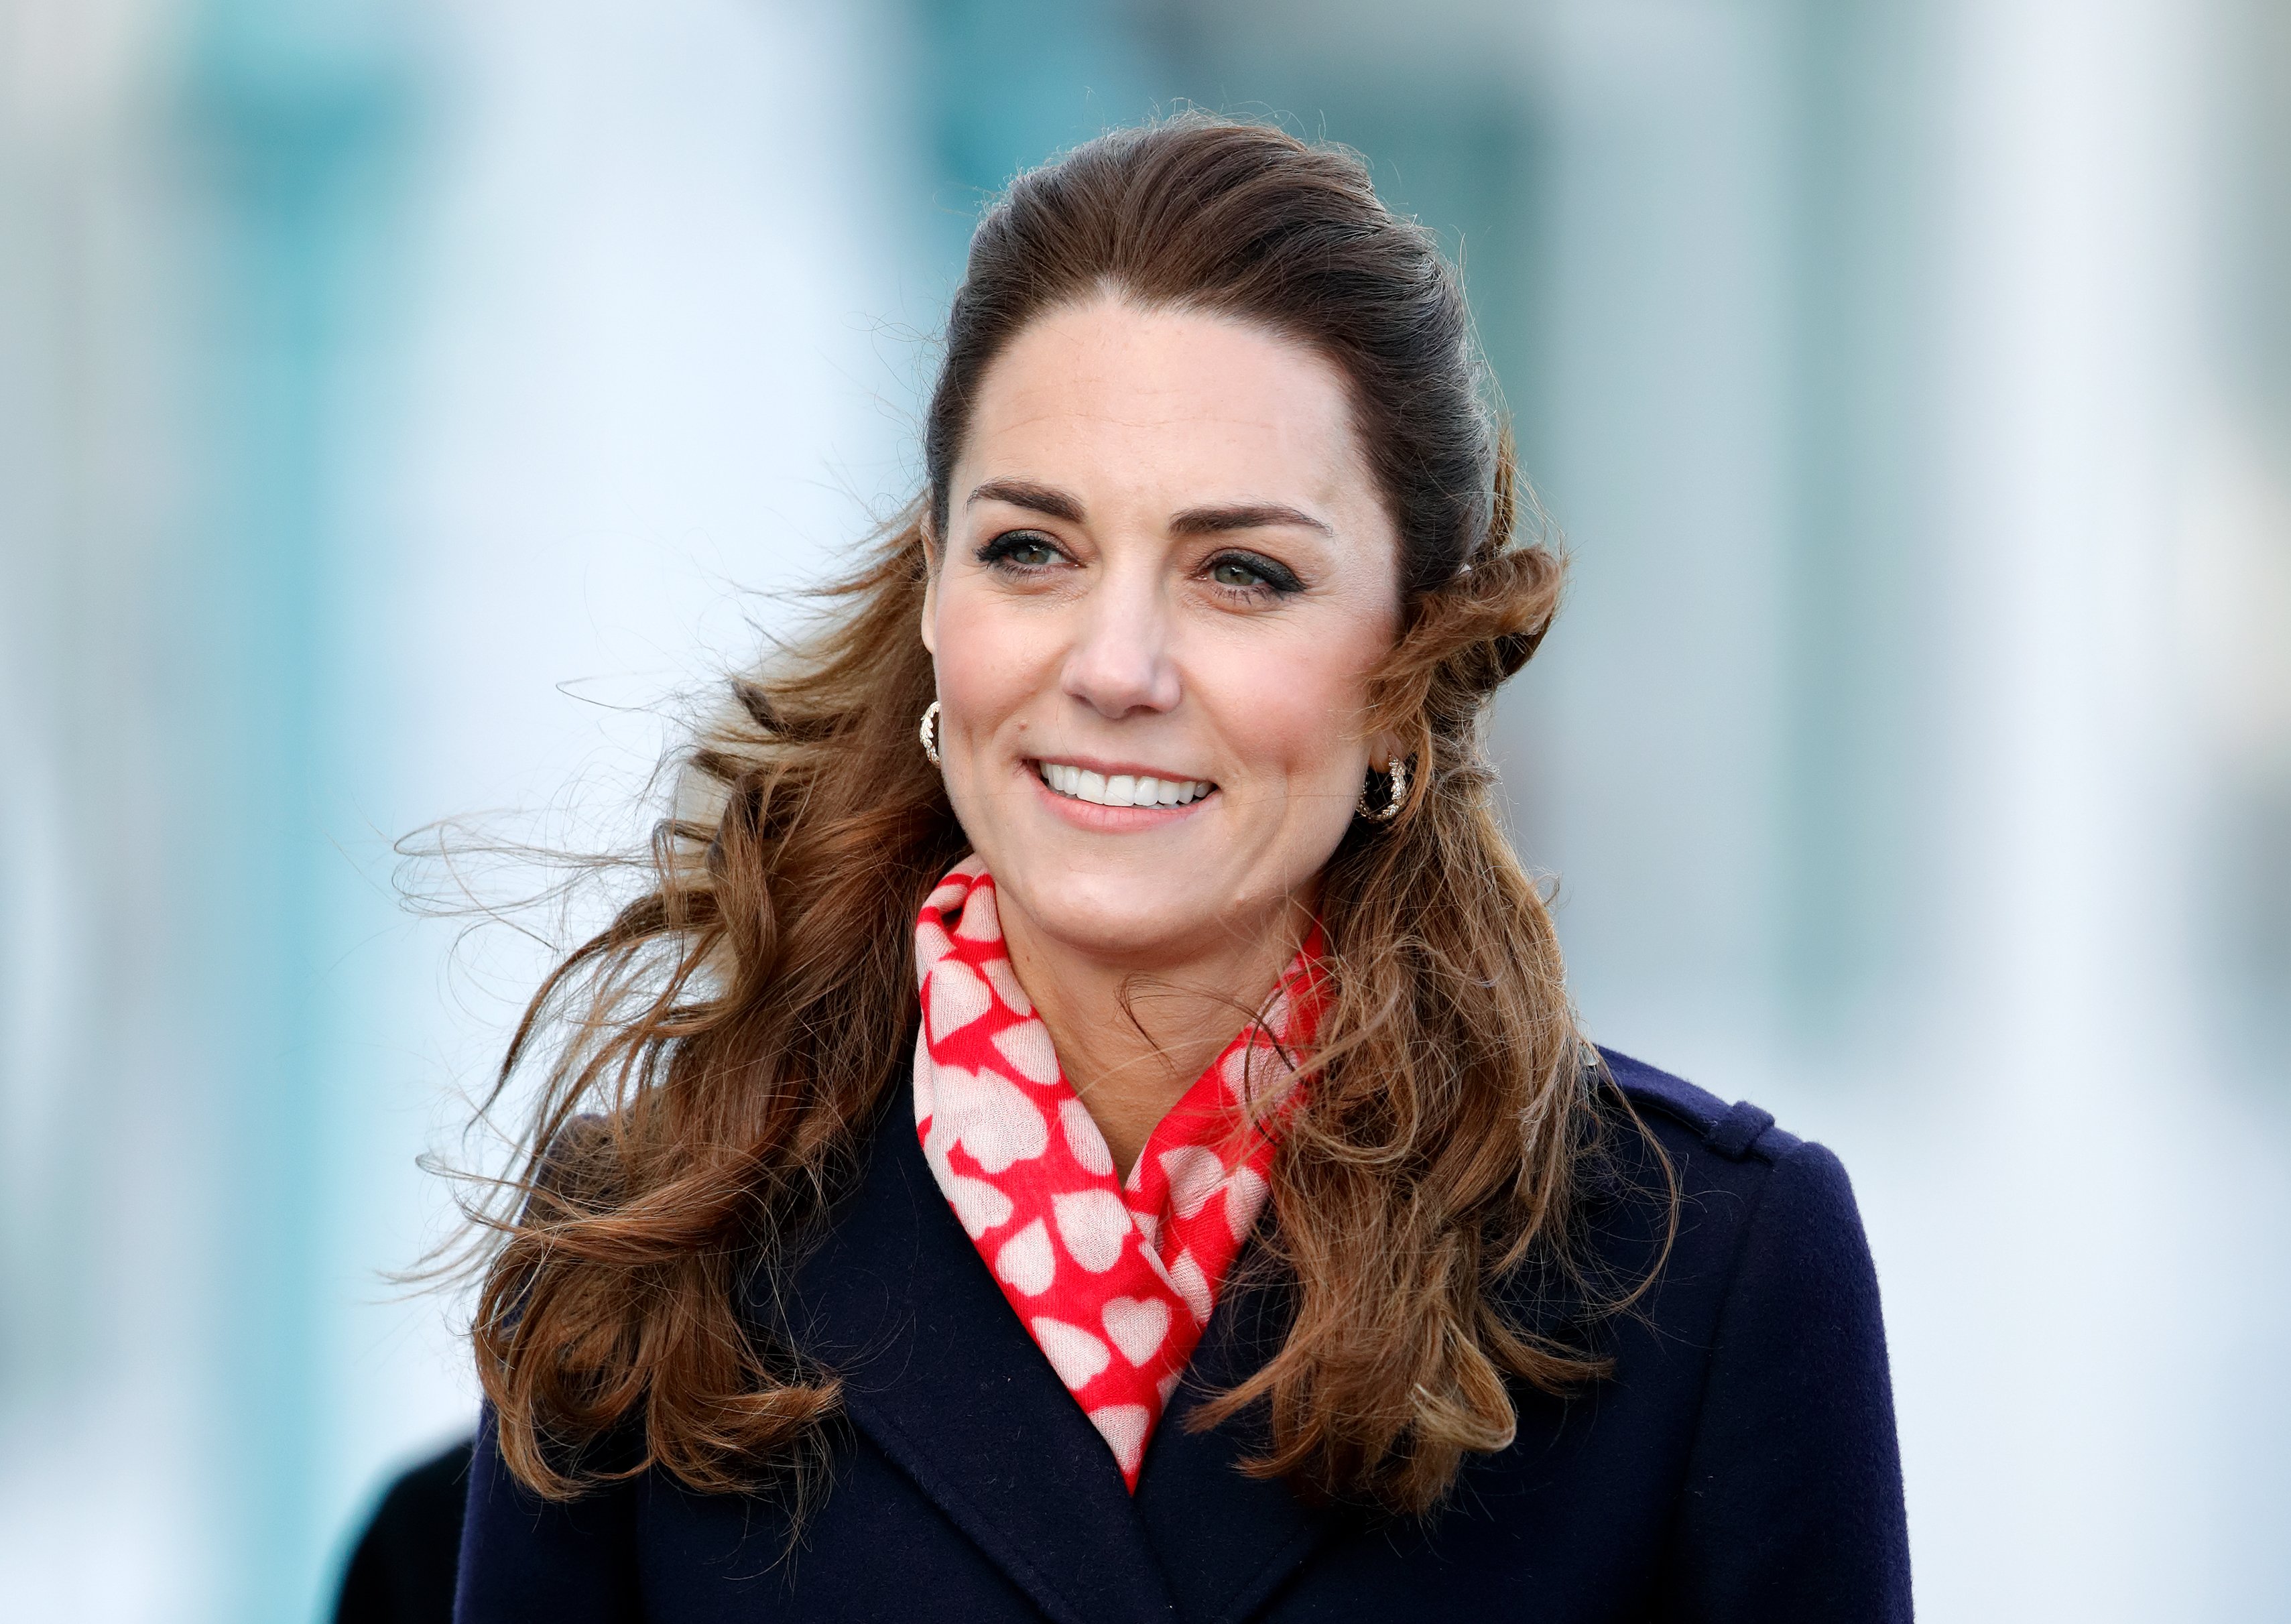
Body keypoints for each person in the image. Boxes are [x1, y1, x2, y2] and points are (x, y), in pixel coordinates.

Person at [451, 114, 1910, 1622]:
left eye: (1242, 574)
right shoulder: (652, 1249)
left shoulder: (1701, 1277)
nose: (1117, 665)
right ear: (935, 605)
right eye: (1031, 550)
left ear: (1406, 668)